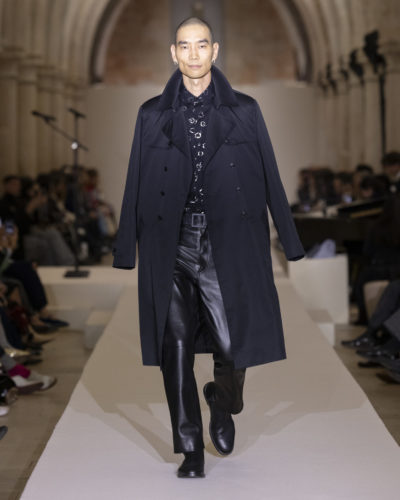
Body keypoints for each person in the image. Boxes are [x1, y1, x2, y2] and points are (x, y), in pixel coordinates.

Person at [112, 17, 304, 478]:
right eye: (185, 46)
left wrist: (290, 240)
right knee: (175, 346)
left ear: (215, 51)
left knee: (232, 343)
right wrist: (126, 248)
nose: (194, 54)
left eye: (201, 45)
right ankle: (190, 448)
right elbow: (135, 179)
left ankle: (222, 398)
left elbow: (270, 175)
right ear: (173, 53)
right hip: (170, 243)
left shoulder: (246, 110)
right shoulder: (151, 114)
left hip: (226, 242)